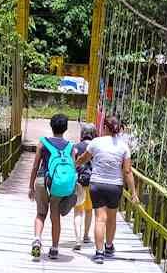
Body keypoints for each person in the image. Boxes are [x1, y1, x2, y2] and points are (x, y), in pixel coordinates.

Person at [76, 115, 139, 264]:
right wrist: (133, 193)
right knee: (111, 218)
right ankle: (109, 246)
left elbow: (83, 159)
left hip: (97, 185)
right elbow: (128, 171)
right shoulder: (124, 146)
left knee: (100, 218)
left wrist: (74, 164)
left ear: (104, 127)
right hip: (115, 186)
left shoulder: (96, 142)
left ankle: (99, 253)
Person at [28, 113, 76, 259]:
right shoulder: (70, 147)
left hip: (43, 181)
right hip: (58, 185)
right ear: (66, 128)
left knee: (41, 213)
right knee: (55, 216)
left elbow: (36, 165)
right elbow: (72, 169)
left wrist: (31, 186)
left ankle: (37, 240)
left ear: (51, 126)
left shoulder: (43, 143)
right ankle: (54, 249)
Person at [72, 122, 97, 250]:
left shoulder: (75, 147)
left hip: (79, 183)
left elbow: (73, 165)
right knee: (89, 210)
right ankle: (86, 236)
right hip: (92, 183)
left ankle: (77, 240)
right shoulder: (97, 147)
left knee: (78, 211)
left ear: (82, 134)